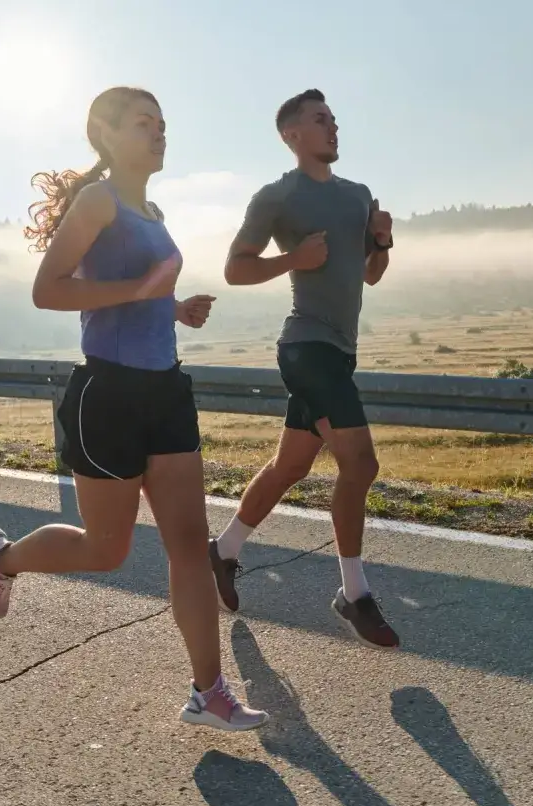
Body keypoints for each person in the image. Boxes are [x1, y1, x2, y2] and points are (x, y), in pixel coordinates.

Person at [0, 85, 268, 733]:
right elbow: (49, 290)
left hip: (166, 390)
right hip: (106, 395)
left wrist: (175, 307)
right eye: (144, 123)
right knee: (106, 549)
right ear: (105, 135)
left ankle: (208, 692)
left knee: (189, 544)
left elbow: (141, 293)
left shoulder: (152, 211)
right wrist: (140, 289)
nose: (160, 133)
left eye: (164, 123)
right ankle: (3, 558)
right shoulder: (97, 201)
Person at [209, 88, 400, 650]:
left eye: (335, 120)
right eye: (320, 120)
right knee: (360, 464)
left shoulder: (359, 195)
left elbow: (372, 274)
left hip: (339, 352)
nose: (333, 128)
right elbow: (234, 270)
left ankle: (222, 551)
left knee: (290, 466)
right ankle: (354, 593)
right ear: (291, 135)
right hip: (305, 347)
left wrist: (383, 240)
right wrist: (293, 259)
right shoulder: (277, 197)